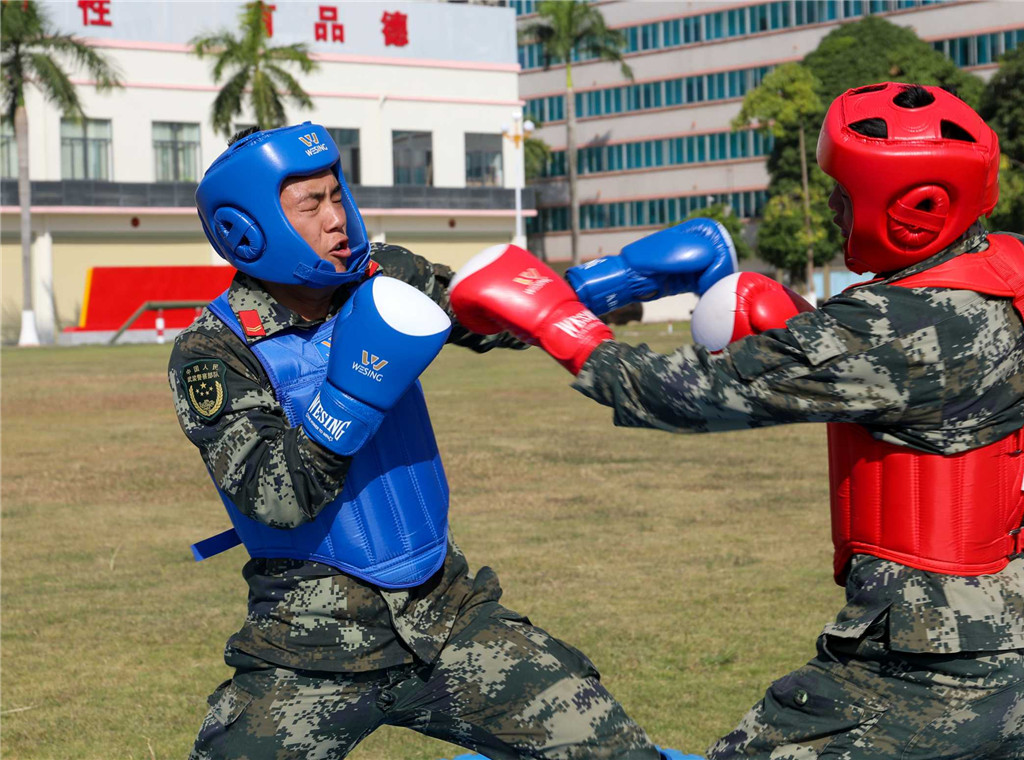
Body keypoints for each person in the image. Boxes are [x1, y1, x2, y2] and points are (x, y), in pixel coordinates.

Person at [447, 84, 1024, 759]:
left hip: (925, 672)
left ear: (916, 207)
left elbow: (677, 394)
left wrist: (557, 319)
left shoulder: (892, 327)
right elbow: (917, 374)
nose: (833, 207)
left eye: (846, 194)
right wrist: (797, 328)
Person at [170, 122, 664, 760]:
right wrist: (349, 393)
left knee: (616, 750)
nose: (337, 218)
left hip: (447, 615)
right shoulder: (213, 351)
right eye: (311, 204)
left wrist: (618, 282)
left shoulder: (383, 275)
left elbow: (491, 316)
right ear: (248, 228)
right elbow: (278, 500)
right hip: (309, 644)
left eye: (336, 195)